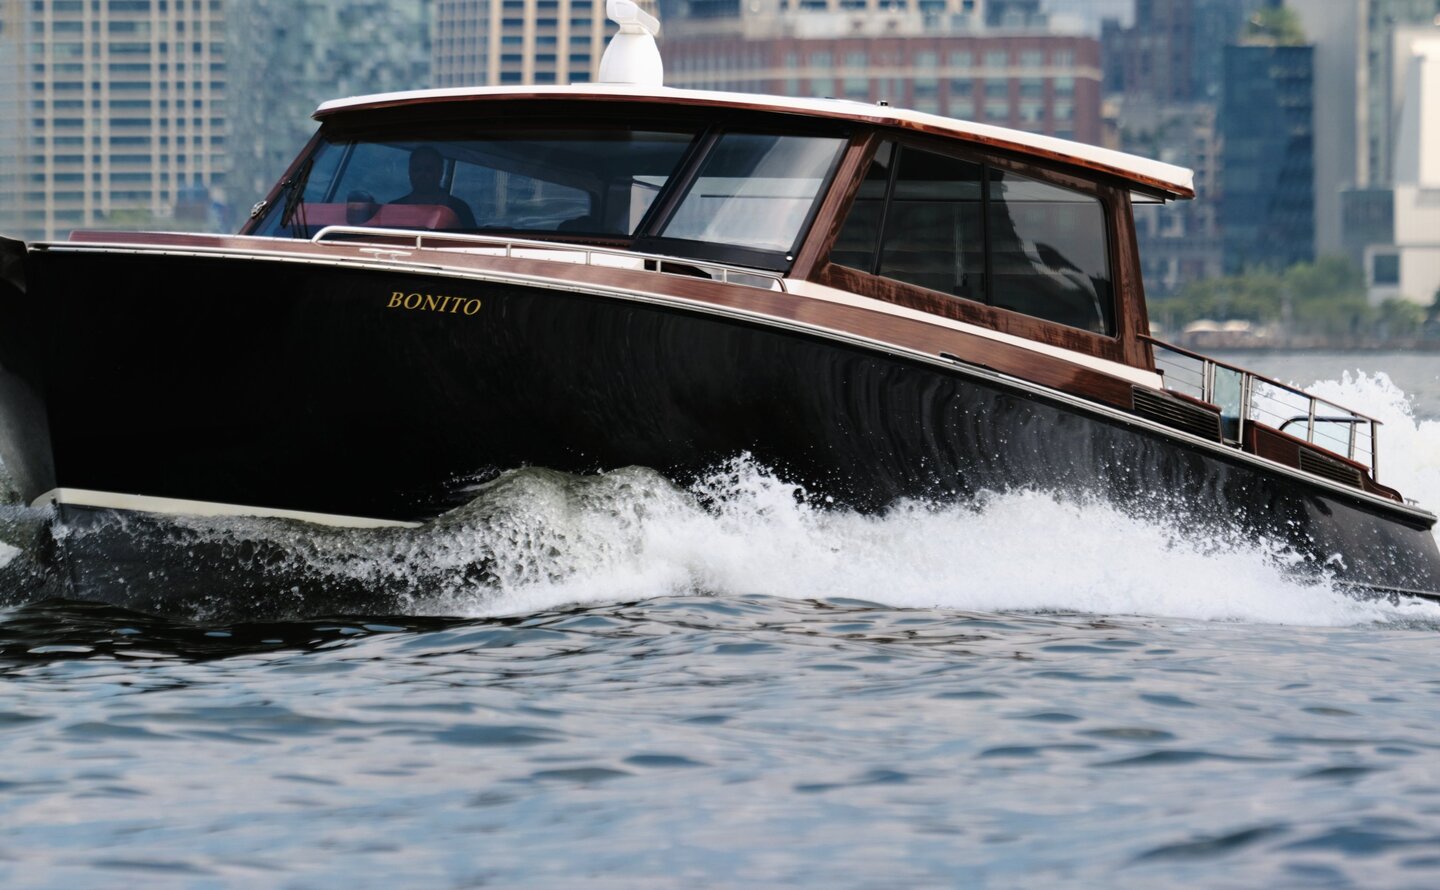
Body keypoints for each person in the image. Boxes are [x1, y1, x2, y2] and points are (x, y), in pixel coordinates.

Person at [390, 146, 476, 228]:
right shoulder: (393, 209)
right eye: (416, 169)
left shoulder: (459, 209)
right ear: (409, 172)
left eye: (429, 169)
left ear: (440, 172)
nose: (422, 175)